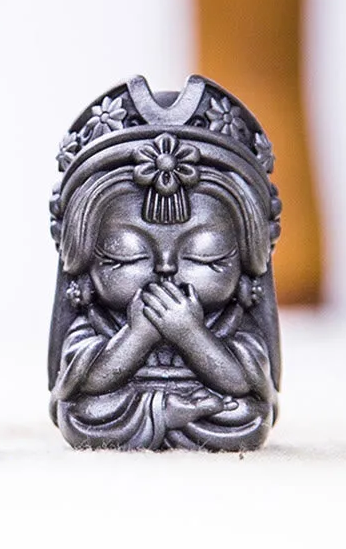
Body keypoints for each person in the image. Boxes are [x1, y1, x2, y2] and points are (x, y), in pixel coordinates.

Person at [48, 76, 281, 450]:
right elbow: (83, 383)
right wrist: (136, 334)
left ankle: (177, 415)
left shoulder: (231, 323)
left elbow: (243, 383)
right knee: (85, 412)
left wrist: (192, 334)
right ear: (84, 265)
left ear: (246, 266)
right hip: (120, 407)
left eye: (205, 257)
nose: (166, 269)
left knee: (245, 414)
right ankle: (167, 415)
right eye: (125, 256)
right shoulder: (97, 324)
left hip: (214, 406)